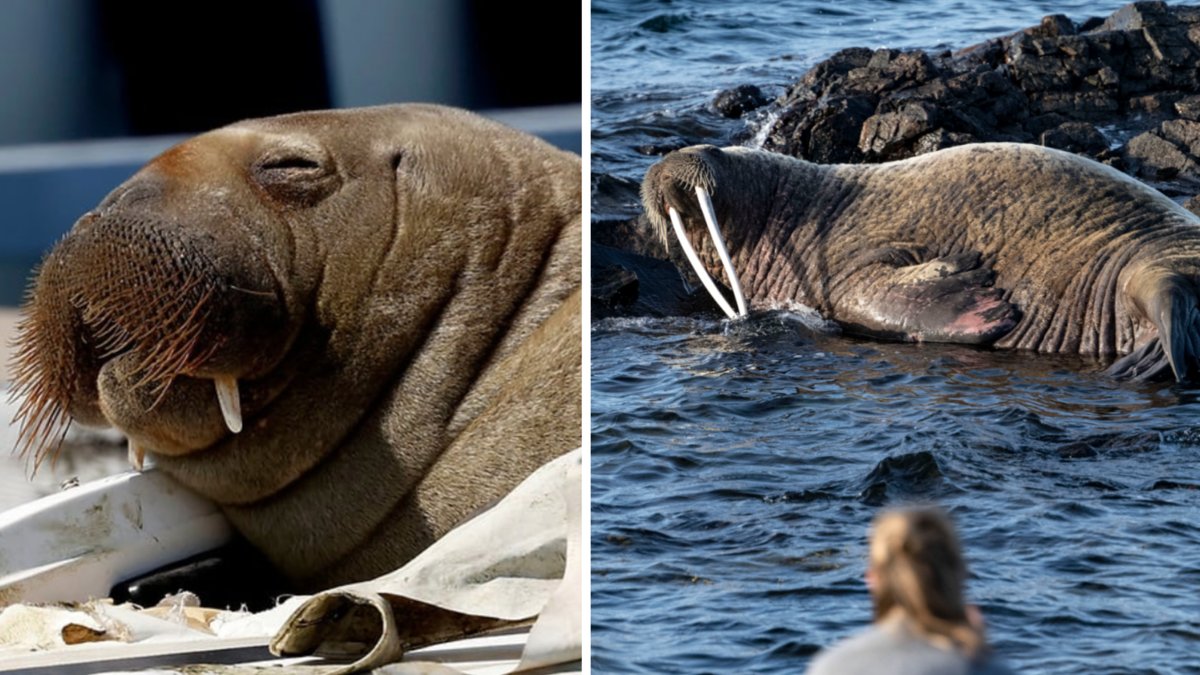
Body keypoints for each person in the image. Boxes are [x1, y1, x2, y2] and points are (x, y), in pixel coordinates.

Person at [806, 507, 1014, 675]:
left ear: (872, 579)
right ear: (960, 572)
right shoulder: (982, 665)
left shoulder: (832, 665)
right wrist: (979, 648)